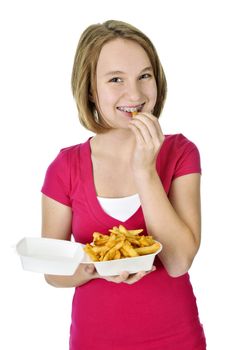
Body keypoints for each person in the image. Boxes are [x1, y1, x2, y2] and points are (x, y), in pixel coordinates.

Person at [41, 20, 207, 350]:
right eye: (116, 79)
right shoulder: (65, 167)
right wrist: (96, 269)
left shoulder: (180, 152)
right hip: (94, 340)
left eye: (144, 76)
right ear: (90, 88)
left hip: (176, 338)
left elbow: (177, 262)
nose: (135, 94)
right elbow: (52, 270)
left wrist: (145, 170)